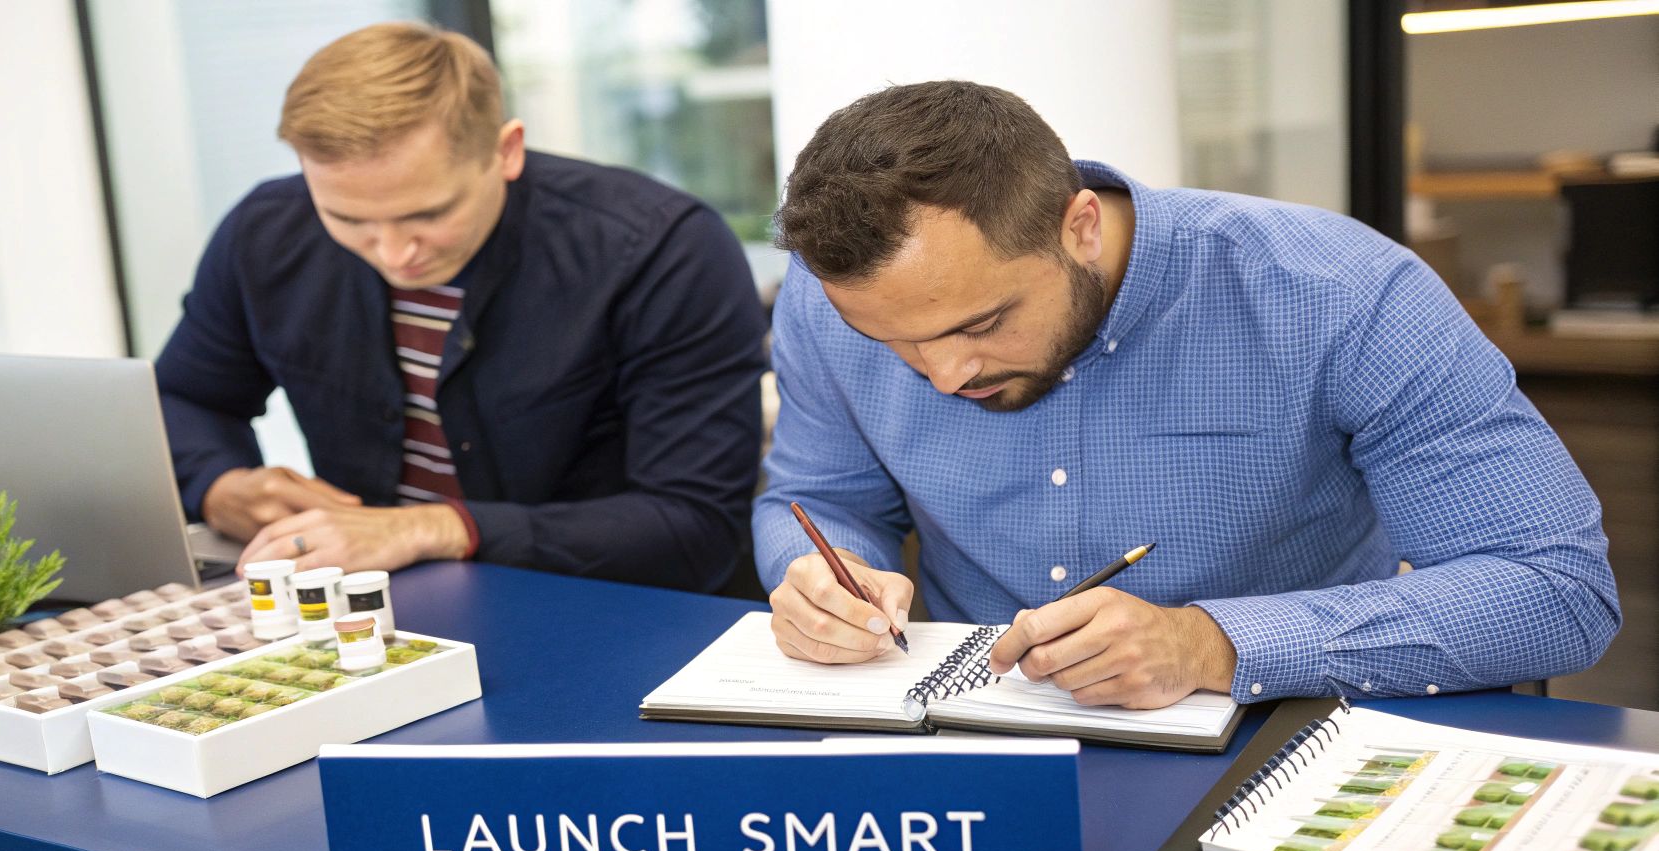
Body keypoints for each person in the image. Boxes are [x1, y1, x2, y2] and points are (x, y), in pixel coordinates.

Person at [756, 81, 1619, 708]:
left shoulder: (1338, 293)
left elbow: (1556, 588)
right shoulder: (827, 300)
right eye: (891, 343)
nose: (943, 375)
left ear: (1080, 226)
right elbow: (818, 495)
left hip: (1291, 725)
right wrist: (828, 576)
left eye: (980, 323)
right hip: (971, 731)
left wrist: (1211, 644)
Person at [156, 23, 766, 593]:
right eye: (348, 219)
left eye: (428, 214)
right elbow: (185, 398)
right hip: (365, 601)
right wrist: (217, 484)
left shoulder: (662, 249)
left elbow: (695, 524)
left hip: (604, 608)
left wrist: (431, 527)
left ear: (506, 151)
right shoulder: (265, 234)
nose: (394, 253)